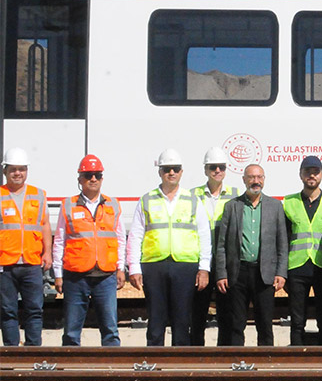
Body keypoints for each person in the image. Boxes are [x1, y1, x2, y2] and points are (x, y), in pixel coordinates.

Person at [127, 149, 212, 346]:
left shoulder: (192, 200)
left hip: (185, 266)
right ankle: (155, 364)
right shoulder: (147, 199)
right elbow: (136, 235)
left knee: (182, 319)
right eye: (167, 169)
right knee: (156, 319)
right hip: (154, 266)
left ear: (181, 172)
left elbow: (204, 235)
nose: (171, 173)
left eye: (175, 169)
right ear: (160, 172)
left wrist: (204, 268)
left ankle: (180, 366)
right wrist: (134, 267)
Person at [52, 155, 125, 346]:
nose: (93, 179)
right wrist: (58, 275)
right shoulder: (68, 205)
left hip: (106, 276)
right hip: (76, 277)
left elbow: (119, 239)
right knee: (71, 332)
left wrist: (121, 268)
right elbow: (60, 240)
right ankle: (70, 372)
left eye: (97, 175)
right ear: (80, 179)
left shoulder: (113, 205)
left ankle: (112, 371)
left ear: (102, 178)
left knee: (110, 330)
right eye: (88, 175)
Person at [213, 165, 288, 346]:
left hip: (265, 273)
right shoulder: (232, 207)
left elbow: (282, 243)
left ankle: (266, 364)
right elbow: (221, 245)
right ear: (244, 180)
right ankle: (237, 363)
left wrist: (281, 272)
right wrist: (221, 273)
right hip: (238, 273)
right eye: (252, 177)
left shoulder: (275, 206)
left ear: (264, 179)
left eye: (259, 177)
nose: (256, 181)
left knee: (265, 323)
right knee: (236, 323)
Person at [283, 155, 322, 345]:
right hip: (297, 267)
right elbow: (282, 239)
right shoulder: (288, 202)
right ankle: (296, 359)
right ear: (300, 175)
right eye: (307, 171)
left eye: (315, 172)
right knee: (297, 320)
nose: (312, 175)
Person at [0, 148, 52, 347]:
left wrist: (47, 252)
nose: (17, 173)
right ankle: (12, 352)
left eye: (21, 169)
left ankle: (34, 351)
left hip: (32, 262)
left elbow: (45, 224)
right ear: (5, 171)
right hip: (5, 263)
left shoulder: (38, 195)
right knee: (8, 311)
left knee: (34, 310)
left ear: (27, 170)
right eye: (13, 169)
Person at [190, 147, 240, 346]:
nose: (217, 170)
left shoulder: (236, 195)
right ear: (206, 169)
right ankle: (196, 353)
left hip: (225, 261)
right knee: (197, 312)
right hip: (200, 259)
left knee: (226, 311)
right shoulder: (193, 195)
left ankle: (224, 353)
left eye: (221, 167)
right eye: (213, 167)